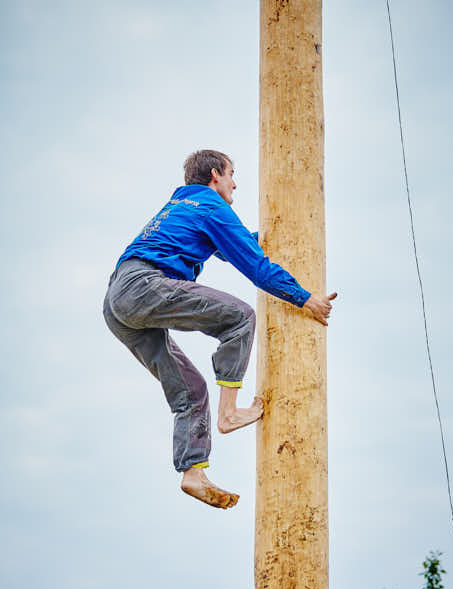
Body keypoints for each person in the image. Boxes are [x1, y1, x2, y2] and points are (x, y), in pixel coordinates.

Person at [103, 149, 336, 510]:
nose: (234, 183)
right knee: (239, 317)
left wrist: (269, 234)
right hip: (144, 285)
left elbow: (229, 250)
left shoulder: (183, 206)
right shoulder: (212, 207)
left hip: (118, 302)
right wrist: (305, 299)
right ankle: (230, 414)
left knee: (189, 389)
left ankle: (192, 471)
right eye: (231, 174)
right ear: (215, 175)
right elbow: (256, 269)